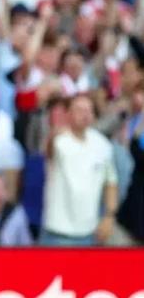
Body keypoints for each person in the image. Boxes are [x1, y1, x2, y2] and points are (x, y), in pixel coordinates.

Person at [41, 94, 118, 246]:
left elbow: (111, 182)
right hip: (57, 233)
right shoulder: (59, 140)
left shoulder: (103, 144)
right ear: (68, 114)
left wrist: (109, 216)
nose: (85, 114)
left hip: (89, 233)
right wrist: (54, 133)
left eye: (89, 110)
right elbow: (48, 150)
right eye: (79, 110)